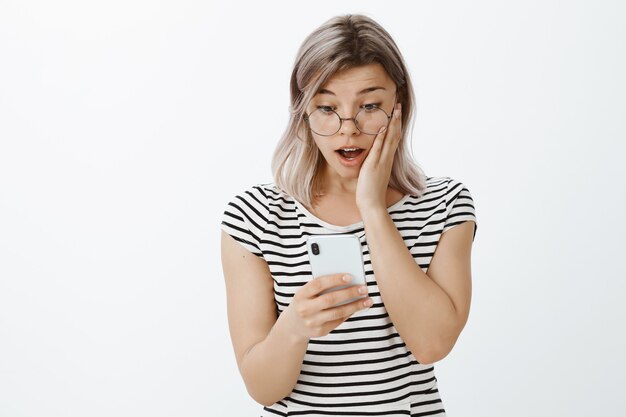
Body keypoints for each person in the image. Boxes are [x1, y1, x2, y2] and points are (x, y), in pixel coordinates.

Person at [220, 14, 477, 417]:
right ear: (303, 111)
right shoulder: (255, 217)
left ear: (399, 105)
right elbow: (262, 389)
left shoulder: (444, 205)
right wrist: (294, 328)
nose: (348, 129)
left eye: (370, 105)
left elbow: (432, 344)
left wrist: (372, 208)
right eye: (326, 107)